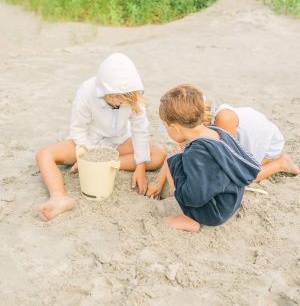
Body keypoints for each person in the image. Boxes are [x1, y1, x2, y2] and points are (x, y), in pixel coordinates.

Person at [36, 53, 166, 221]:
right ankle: (58, 197)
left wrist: (140, 166)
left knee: (159, 155)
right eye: (114, 100)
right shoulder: (87, 90)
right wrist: (87, 157)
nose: (119, 103)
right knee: (43, 155)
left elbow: (140, 131)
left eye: (122, 100)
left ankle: (107, 165)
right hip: (89, 141)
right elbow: (78, 129)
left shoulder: (133, 95)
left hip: (119, 141)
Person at [157, 84, 299, 232]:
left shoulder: (196, 154)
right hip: (231, 201)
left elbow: (194, 197)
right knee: (180, 160)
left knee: (171, 161)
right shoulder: (217, 132)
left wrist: (176, 166)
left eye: (166, 126)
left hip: (214, 213)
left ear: (176, 128)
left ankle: (187, 219)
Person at [146, 89, 299, 197]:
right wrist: (159, 181)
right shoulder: (197, 126)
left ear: (177, 127)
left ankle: (281, 163)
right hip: (241, 140)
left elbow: (229, 159)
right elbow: (179, 149)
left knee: (246, 177)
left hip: (264, 141)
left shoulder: (223, 120)